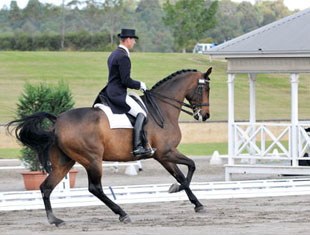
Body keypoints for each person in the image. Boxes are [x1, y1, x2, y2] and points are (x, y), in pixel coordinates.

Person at [93, 28, 155, 158]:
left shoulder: (114, 54)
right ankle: (138, 147)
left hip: (109, 91)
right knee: (141, 113)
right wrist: (140, 85)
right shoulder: (123, 56)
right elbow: (125, 80)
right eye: (133, 40)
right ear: (127, 40)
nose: (134, 43)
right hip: (118, 94)